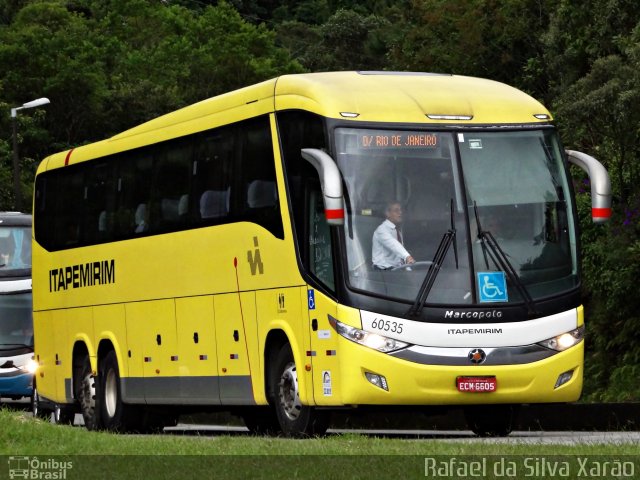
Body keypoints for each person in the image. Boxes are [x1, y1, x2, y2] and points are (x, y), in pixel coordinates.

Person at [372, 202, 415, 269]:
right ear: (388, 213)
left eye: (400, 210)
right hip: (383, 272)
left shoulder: (397, 231)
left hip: (395, 271)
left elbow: (399, 256)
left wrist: (409, 270)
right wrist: (407, 256)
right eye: (396, 210)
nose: (400, 213)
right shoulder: (382, 230)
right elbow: (394, 245)